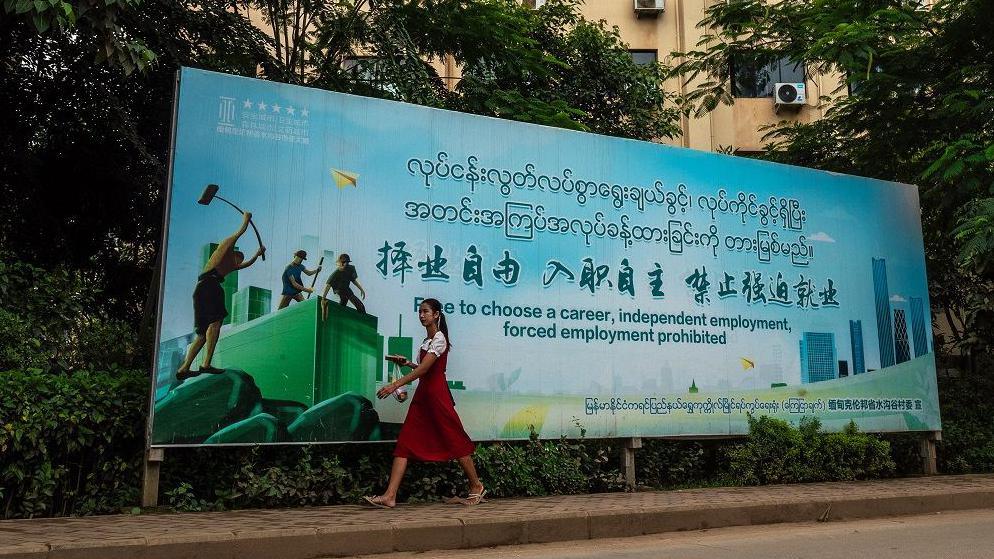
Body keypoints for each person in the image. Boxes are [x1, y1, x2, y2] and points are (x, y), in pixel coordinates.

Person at [364, 298, 484, 508]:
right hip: (424, 395)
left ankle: (476, 486)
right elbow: (421, 366)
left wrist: (394, 385)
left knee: (454, 437)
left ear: (436, 314)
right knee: (405, 442)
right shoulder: (426, 341)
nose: (422, 315)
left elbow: (424, 370)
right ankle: (390, 496)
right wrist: (407, 363)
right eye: (420, 312)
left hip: (437, 395)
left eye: (426, 312)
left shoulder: (439, 339)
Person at [177, 212, 265, 382]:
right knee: (215, 324)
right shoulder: (224, 248)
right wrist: (245, 220)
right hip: (209, 287)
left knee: (202, 334)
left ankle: (184, 367)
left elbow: (246, 265)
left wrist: (257, 253)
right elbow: (238, 234)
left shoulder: (230, 265)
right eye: (239, 258)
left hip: (204, 289)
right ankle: (206, 364)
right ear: (233, 253)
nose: (239, 263)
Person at [321, 253, 366, 319]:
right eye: (343, 263)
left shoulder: (350, 268)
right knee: (348, 299)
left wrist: (361, 289)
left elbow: (353, 280)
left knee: (356, 305)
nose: (345, 264)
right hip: (339, 289)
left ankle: (362, 318)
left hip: (347, 289)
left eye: (346, 263)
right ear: (339, 263)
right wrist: (323, 298)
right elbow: (328, 286)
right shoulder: (336, 273)